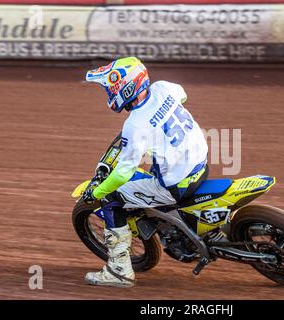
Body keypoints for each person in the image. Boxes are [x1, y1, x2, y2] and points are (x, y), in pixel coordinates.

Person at [82, 57, 208, 287]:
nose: (109, 93)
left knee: (111, 197)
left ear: (125, 89)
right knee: (153, 165)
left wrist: (98, 192)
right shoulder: (163, 87)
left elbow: (123, 173)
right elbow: (182, 95)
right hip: (200, 163)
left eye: (110, 89)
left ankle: (119, 271)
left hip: (176, 184)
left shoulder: (135, 124)